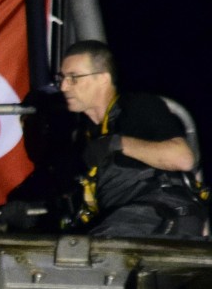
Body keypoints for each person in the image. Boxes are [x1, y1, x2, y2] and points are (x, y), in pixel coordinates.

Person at [57, 39, 206, 239]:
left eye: (73, 78)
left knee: (92, 253)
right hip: (119, 221)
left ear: (102, 78)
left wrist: (118, 144)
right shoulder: (82, 134)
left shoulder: (137, 107)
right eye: (62, 78)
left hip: (162, 215)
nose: (64, 87)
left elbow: (183, 158)